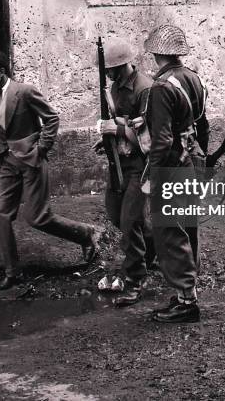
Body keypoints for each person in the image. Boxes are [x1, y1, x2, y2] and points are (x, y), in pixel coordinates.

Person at [0, 50, 102, 290]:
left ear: (2, 72)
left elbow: (52, 118)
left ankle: (85, 235)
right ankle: (12, 272)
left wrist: (41, 149)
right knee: (0, 214)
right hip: (6, 163)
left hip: (31, 161)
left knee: (37, 217)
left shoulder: (24, 92)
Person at [143, 24, 209, 323]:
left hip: (171, 166)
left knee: (170, 232)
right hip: (192, 161)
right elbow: (202, 124)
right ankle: (188, 290)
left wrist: (153, 176)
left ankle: (186, 301)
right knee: (188, 228)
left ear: (157, 53)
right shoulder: (193, 78)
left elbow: (162, 140)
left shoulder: (161, 87)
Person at [95, 36, 155, 307]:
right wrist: (108, 138)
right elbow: (120, 120)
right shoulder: (117, 87)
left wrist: (117, 130)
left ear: (120, 66)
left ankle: (136, 281)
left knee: (130, 222)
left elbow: (148, 136)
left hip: (141, 166)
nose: (106, 74)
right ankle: (153, 250)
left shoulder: (145, 89)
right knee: (117, 215)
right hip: (119, 162)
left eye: (108, 69)